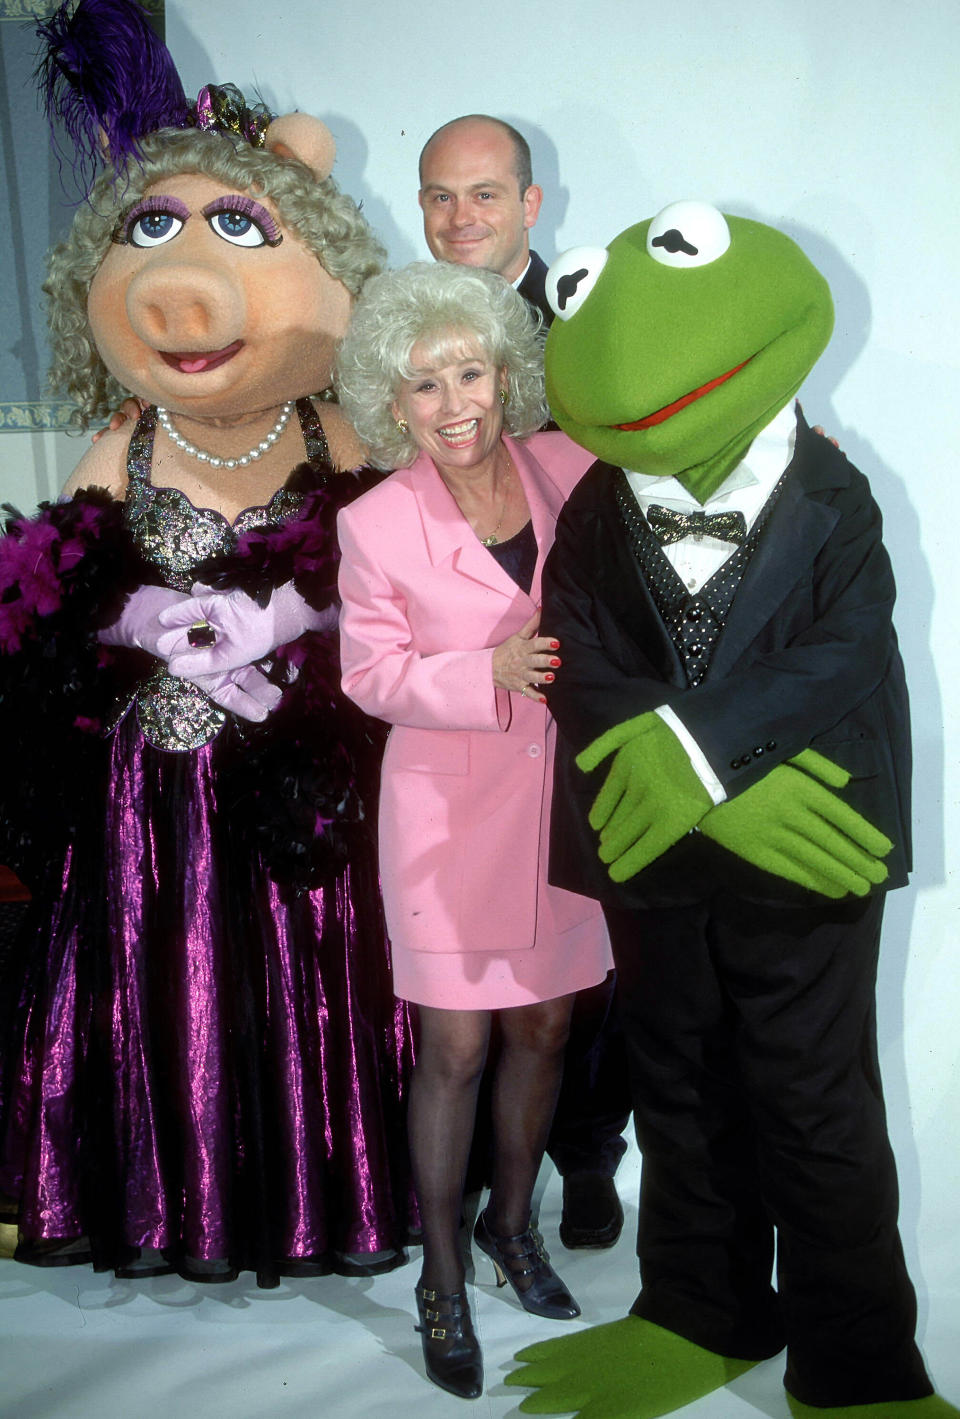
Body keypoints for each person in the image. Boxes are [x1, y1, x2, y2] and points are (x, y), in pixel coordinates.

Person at [0, 8, 416, 1290]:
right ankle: (163, 1203)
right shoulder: (127, 429)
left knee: (299, 984)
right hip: (152, 782)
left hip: (296, 768)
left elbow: (394, 562)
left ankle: (302, 1199)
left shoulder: (337, 422)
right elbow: (55, 574)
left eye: (237, 229)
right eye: (155, 231)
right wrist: (143, 623)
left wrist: (294, 615)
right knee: (154, 985)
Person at [334, 260, 612, 1399]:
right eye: (423, 386)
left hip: (561, 807)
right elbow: (369, 674)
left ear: (505, 372)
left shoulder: (568, 467)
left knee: (545, 1029)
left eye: (470, 372)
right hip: (447, 815)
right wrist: (481, 669)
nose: (454, 405)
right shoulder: (375, 521)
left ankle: (512, 1225)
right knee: (454, 1046)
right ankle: (440, 1274)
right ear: (388, 403)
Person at [418, 112, 631, 1248]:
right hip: (447, 691)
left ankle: (585, 1156)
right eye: (440, 197)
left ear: (531, 205)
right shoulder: (391, 328)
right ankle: (452, 1193)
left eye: (485, 195)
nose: (461, 219)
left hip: (581, 681)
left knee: (585, 946)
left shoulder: (592, 323)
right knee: (453, 950)